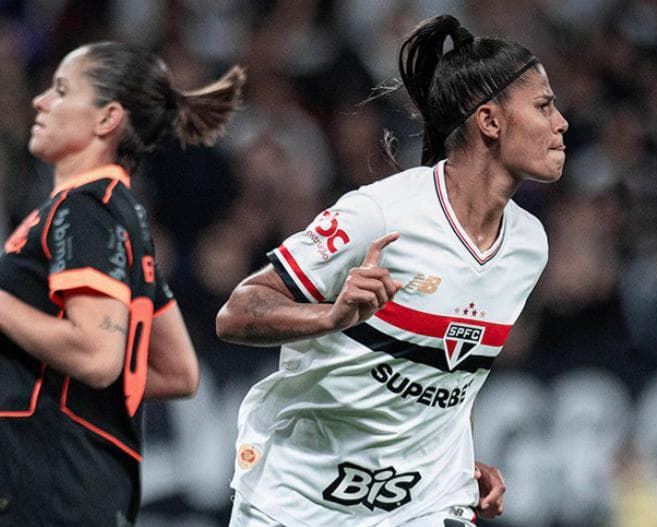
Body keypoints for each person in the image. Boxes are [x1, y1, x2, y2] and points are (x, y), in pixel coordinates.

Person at [217, 13, 568, 527]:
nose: (561, 122)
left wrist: (454, 458)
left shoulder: (529, 244)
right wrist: (330, 318)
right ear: (490, 122)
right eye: (543, 105)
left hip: (421, 503)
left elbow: (453, 370)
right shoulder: (380, 215)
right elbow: (236, 313)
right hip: (297, 497)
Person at [0, 41, 245, 525]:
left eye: (62, 90)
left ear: (107, 118)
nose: (40, 101)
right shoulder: (123, 219)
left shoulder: (83, 210)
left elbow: (96, 355)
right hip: (82, 486)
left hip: (47, 486)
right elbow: (179, 372)